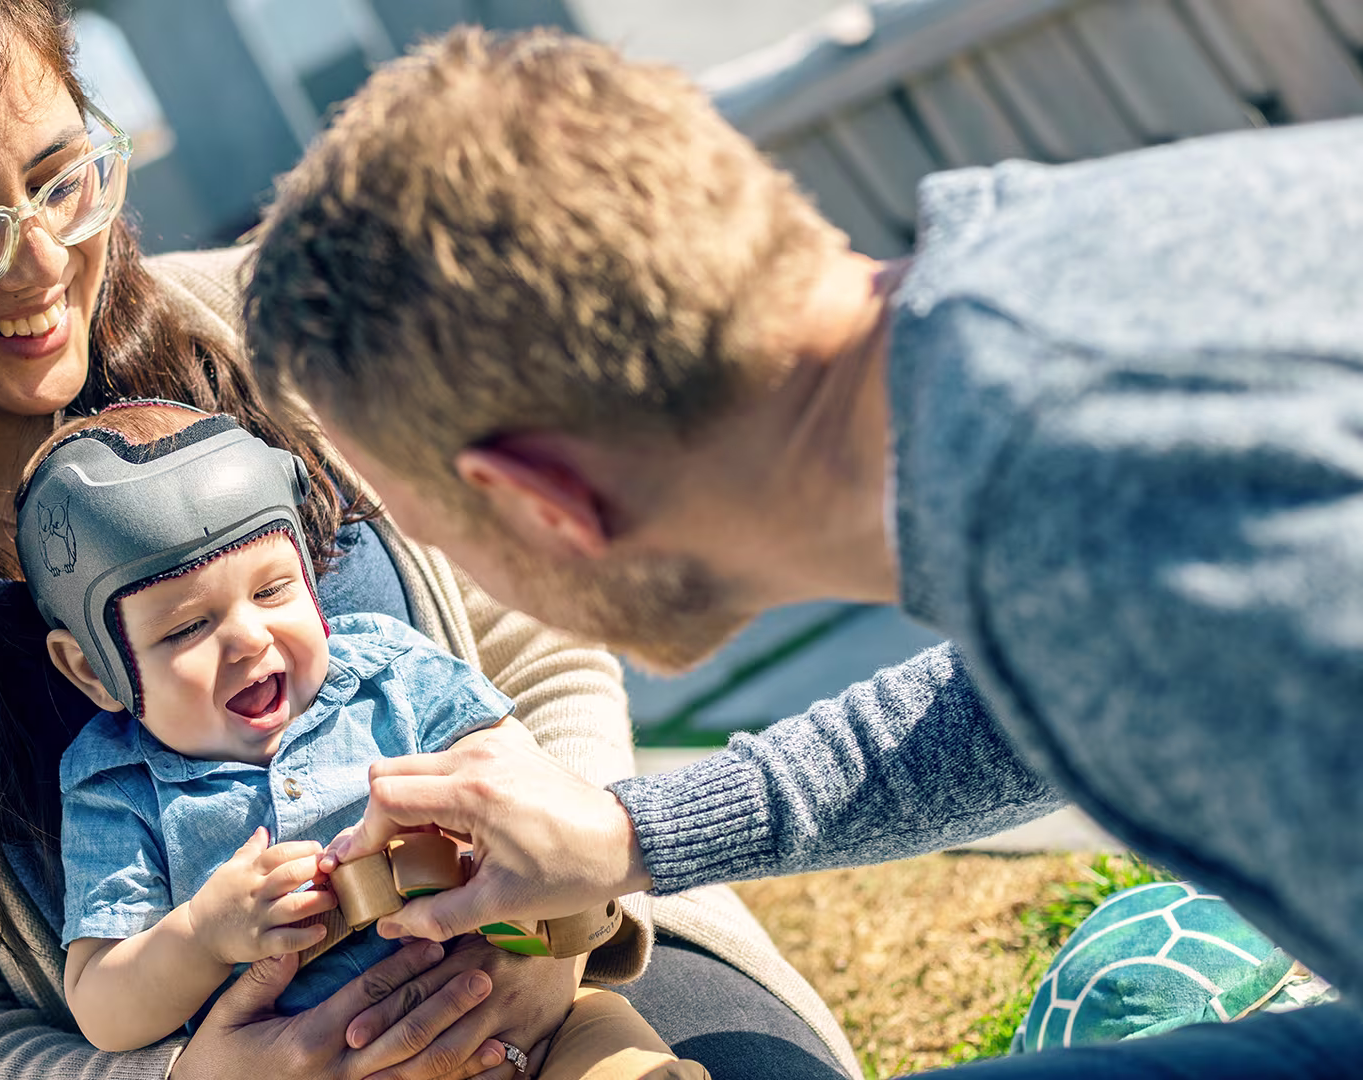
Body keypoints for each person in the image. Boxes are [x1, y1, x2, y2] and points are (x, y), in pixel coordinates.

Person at [0, 3, 861, 1078]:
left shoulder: (260, 325)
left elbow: (534, 656)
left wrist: (557, 921)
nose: (47, 261)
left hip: (572, 970)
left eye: (62, 176)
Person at [244, 26, 1363, 1075]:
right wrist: (629, 831)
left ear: (543, 501)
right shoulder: (1037, 321)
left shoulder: (1092, 509)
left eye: (433, 531)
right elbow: (1036, 694)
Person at [20, 402, 701, 1080]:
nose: (249, 639)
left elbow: (528, 784)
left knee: (609, 1046)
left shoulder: (393, 673)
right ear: (93, 668)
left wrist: (483, 848)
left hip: (525, 1019)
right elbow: (105, 1006)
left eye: (273, 590)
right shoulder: (116, 786)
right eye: (185, 629)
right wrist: (202, 934)